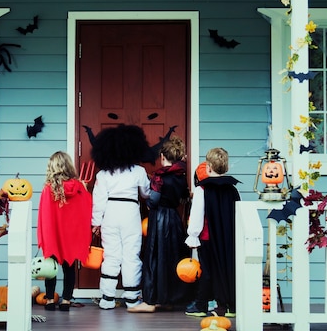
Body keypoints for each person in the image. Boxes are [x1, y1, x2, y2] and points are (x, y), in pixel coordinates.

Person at [90, 124, 151, 310]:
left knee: (111, 255)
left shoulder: (103, 174)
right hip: (130, 212)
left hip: (110, 212)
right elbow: (147, 193)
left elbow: (98, 200)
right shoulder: (139, 171)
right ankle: (132, 297)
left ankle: (107, 298)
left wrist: (96, 223)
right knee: (131, 255)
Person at [128, 136, 192, 313]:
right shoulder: (181, 175)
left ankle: (149, 301)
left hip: (159, 219)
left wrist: (148, 203)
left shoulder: (159, 176)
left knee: (154, 258)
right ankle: (168, 299)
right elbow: (183, 197)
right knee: (171, 258)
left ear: (163, 156)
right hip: (174, 219)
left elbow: (154, 199)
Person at [184, 148, 241, 318]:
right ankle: (231, 305)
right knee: (228, 268)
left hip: (208, 237)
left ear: (208, 167)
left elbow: (197, 215)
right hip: (228, 237)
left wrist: (192, 235)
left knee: (207, 270)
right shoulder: (232, 189)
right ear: (227, 167)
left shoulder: (203, 189)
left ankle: (201, 305)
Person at [37, 151, 93, 311]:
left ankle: (49, 300)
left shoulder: (48, 189)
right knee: (69, 267)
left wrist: (44, 235)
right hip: (71, 236)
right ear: (69, 166)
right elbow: (86, 208)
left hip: (53, 234)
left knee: (50, 268)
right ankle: (66, 300)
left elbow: (44, 214)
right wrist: (85, 190)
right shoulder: (79, 187)